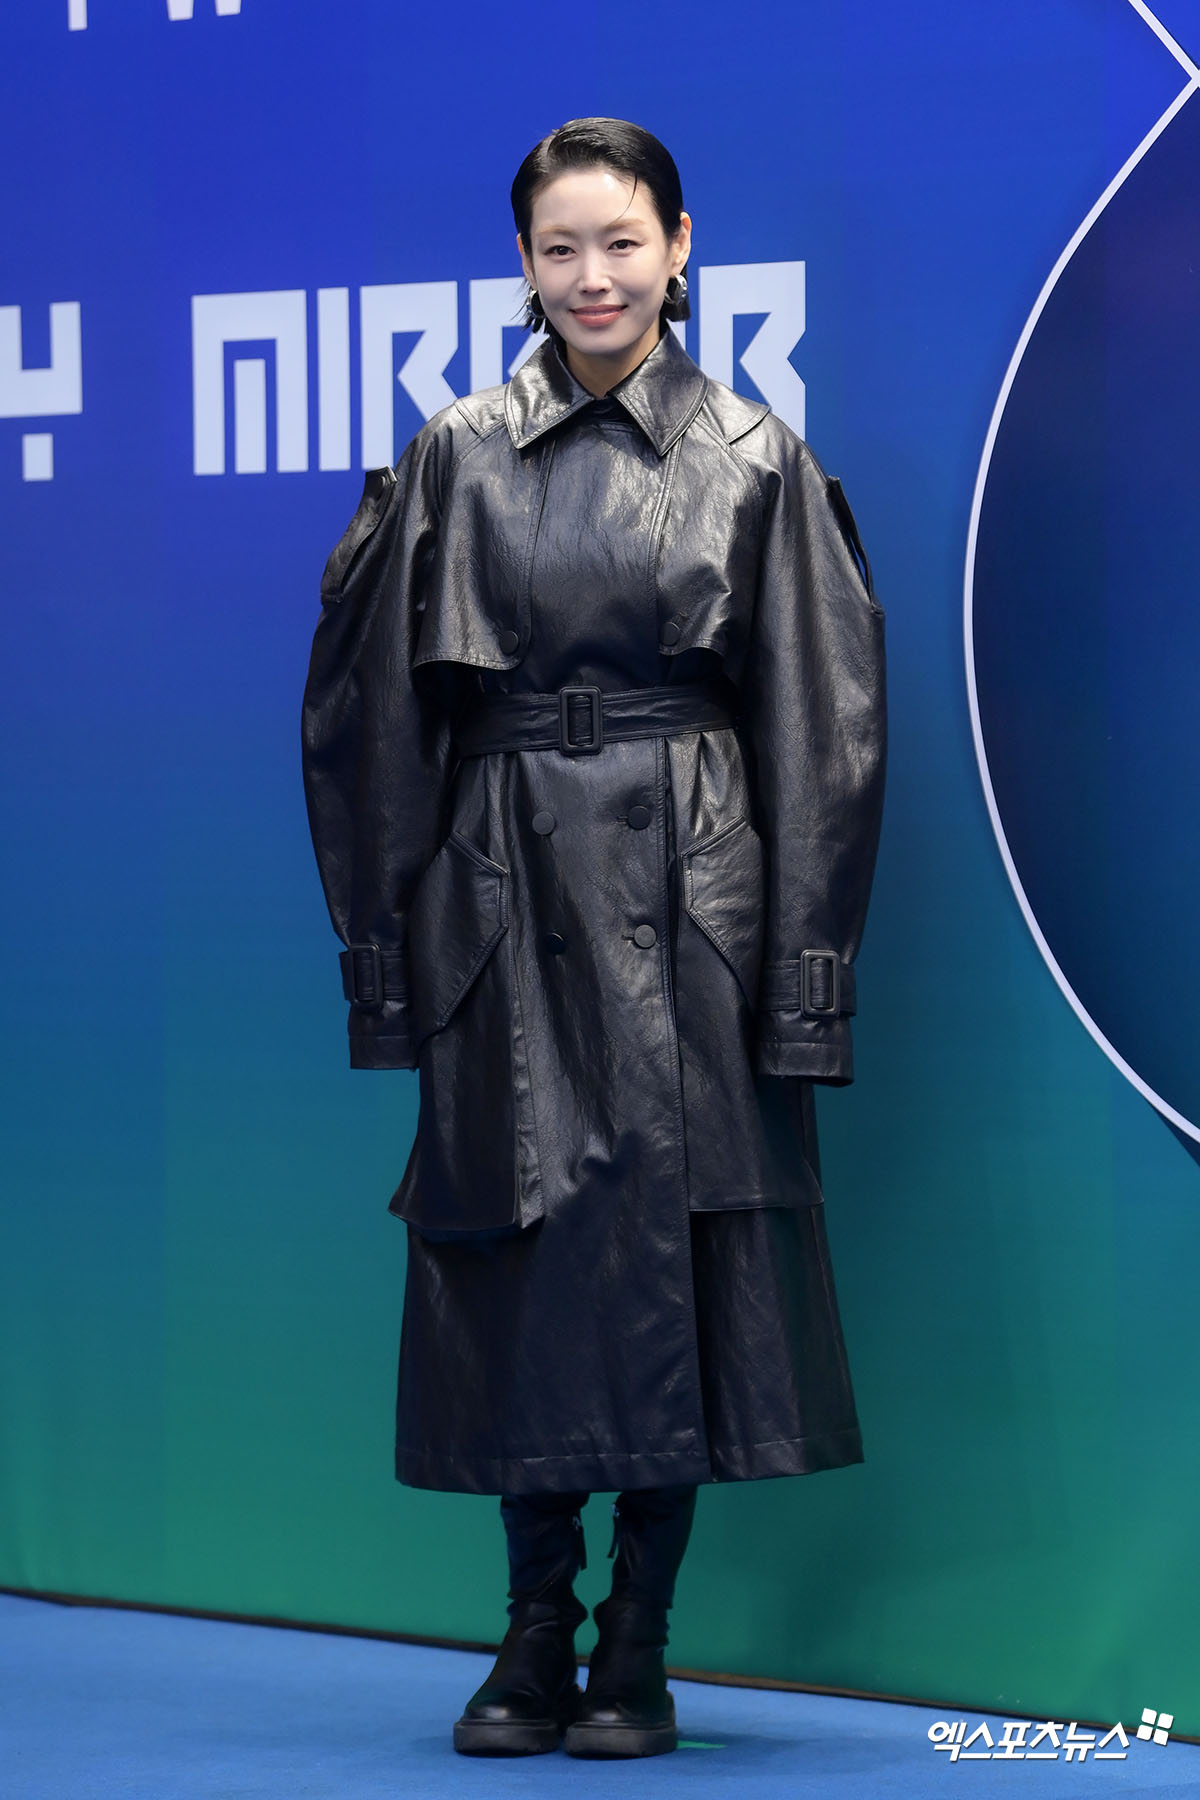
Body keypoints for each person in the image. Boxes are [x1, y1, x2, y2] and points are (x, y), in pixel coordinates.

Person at [301, 116, 886, 1760]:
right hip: (498, 896)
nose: (594, 277)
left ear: (679, 247)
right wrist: (388, 962)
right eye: (561, 248)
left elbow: (827, 739)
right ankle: (530, 1630)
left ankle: (638, 1641)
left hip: (694, 902)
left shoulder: (757, 459)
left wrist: (804, 985)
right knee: (519, 1257)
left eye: (622, 241)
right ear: (523, 264)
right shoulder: (455, 455)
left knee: (678, 1263)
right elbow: (373, 728)